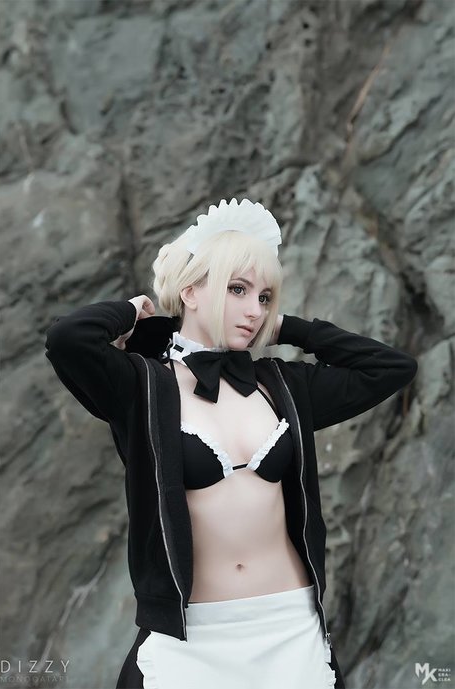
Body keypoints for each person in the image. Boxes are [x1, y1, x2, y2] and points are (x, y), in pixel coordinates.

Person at [44, 198, 418, 689]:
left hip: (290, 627)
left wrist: (288, 328)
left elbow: (391, 367)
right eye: (238, 289)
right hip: (191, 639)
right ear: (191, 291)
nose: (254, 309)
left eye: (265, 297)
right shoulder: (141, 387)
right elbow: (67, 340)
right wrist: (130, 313)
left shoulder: (284, 385)